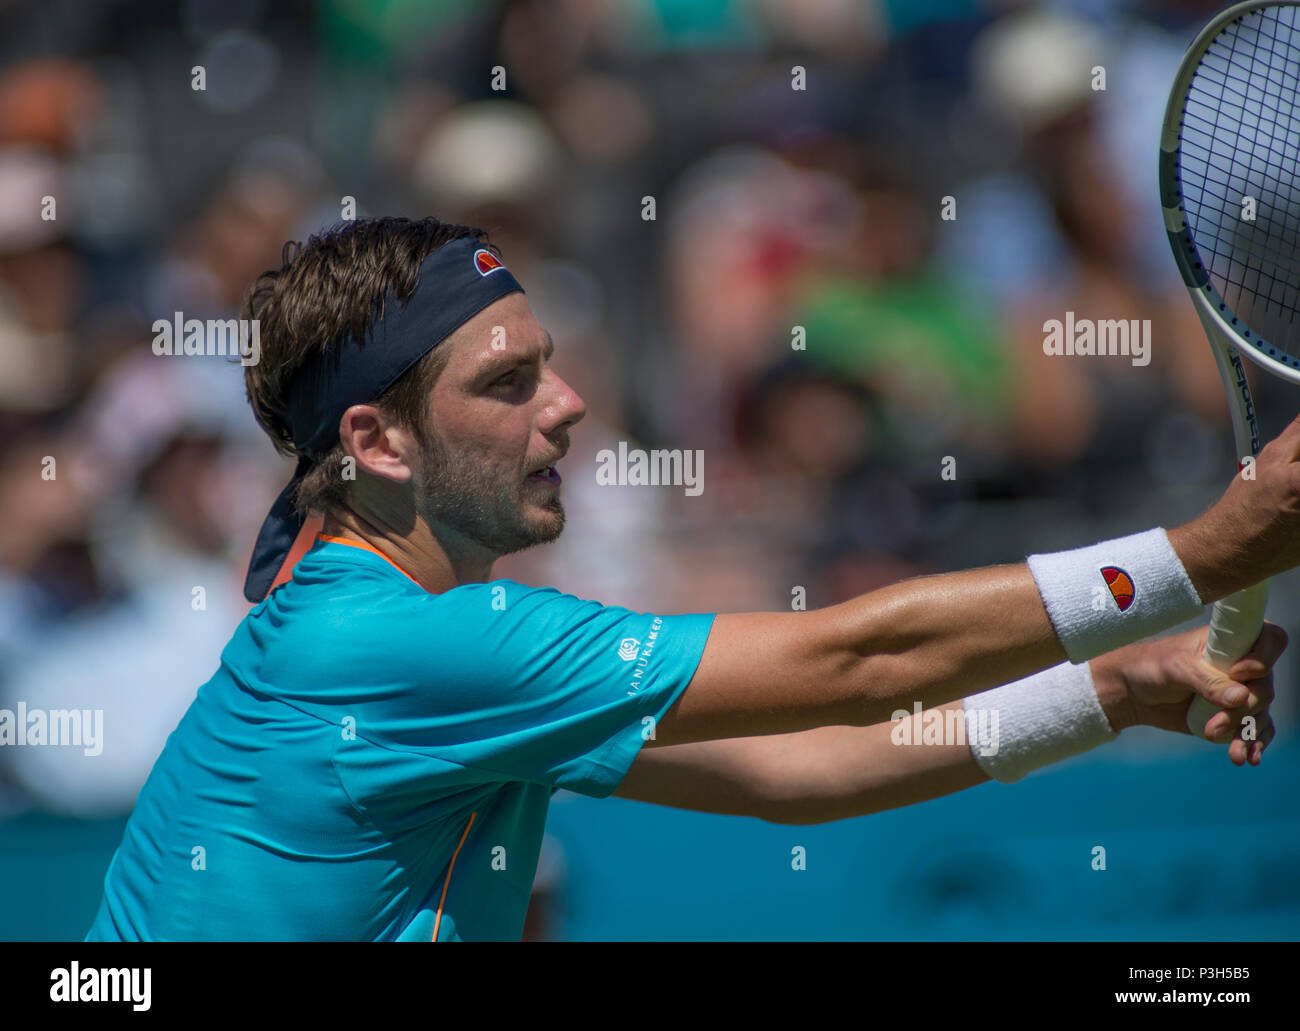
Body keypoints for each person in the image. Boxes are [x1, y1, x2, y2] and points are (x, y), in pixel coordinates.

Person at [86, 217, 1294, 942]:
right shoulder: (402, 646)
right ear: (378, 442)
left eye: (547, 366)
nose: (565, 405)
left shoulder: (423, 654)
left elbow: (797, 767)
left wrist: (1112, 689)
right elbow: (851, 658)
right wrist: (1199, 557)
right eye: (507, 383)